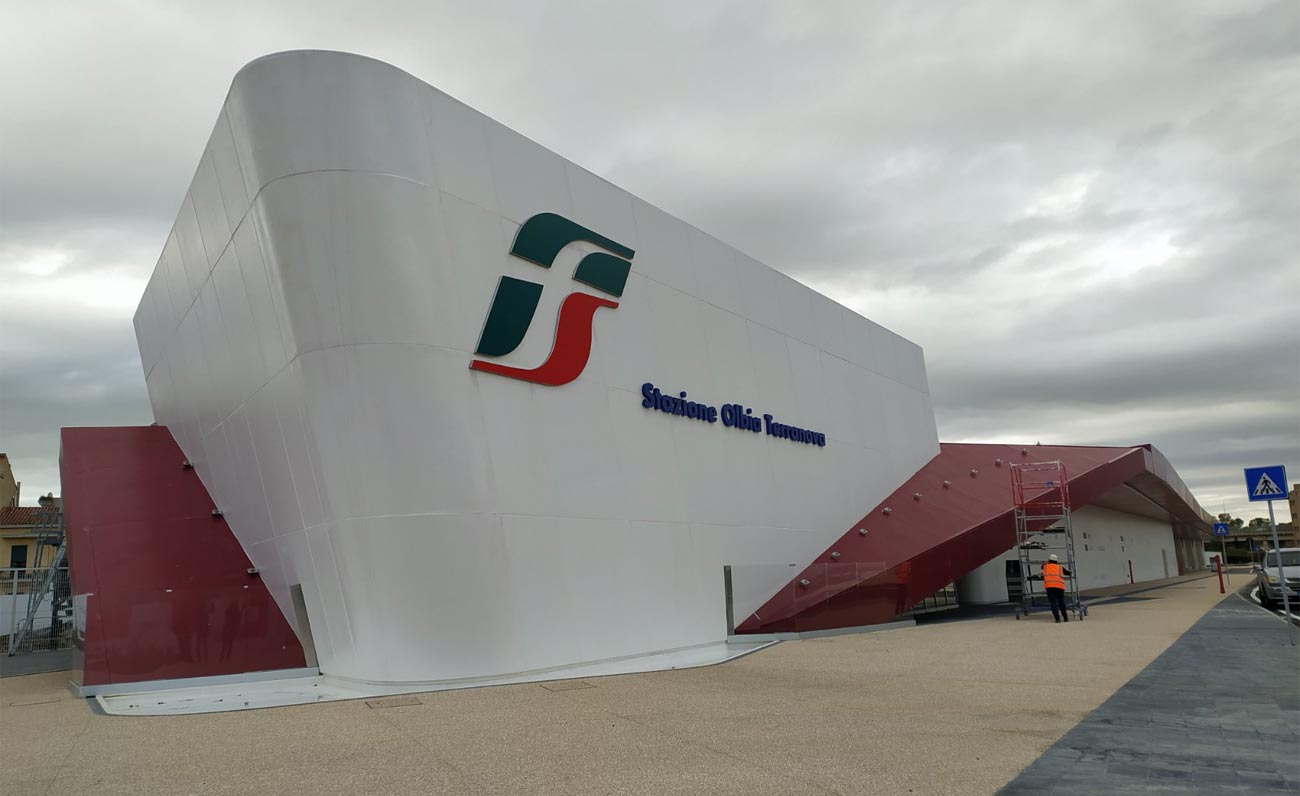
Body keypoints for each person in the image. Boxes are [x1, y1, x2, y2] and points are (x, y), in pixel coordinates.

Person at [1042, 554, 1072, 623]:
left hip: (1050, 587)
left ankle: (1057, 619)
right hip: (1059, 587)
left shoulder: (1045, 567)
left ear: (1049, 560)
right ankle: (1065, 618)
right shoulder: (1060, 567)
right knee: (1061, 602)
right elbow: (1068, 573)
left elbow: (1042, 566)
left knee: (1053, 603)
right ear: (1056, 561)